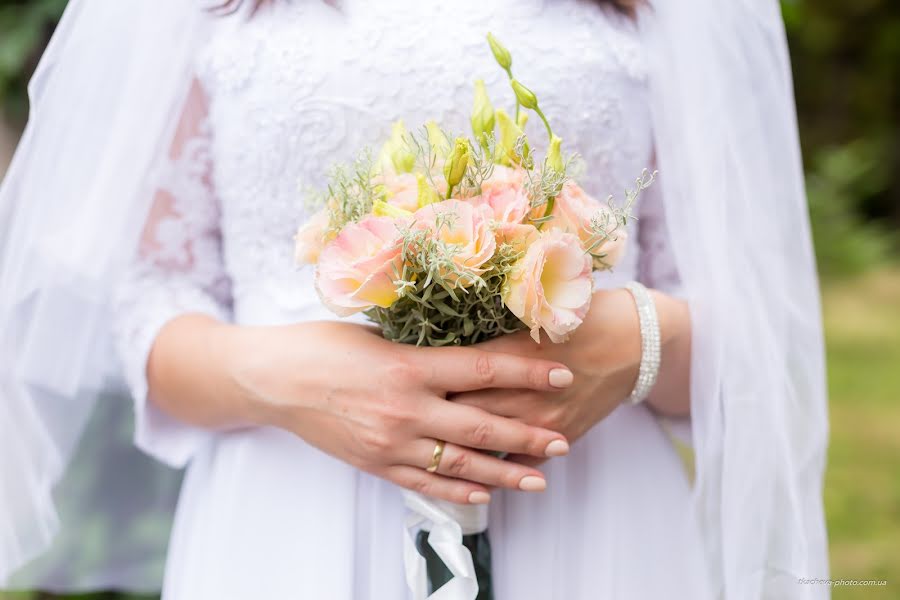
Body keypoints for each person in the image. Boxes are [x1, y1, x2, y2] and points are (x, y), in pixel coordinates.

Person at [0, 0, 830, 598]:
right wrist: (281, 378)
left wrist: (640, 338)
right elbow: (144, 308)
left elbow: (753, 326)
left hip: (591, 512)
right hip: (289, 519)